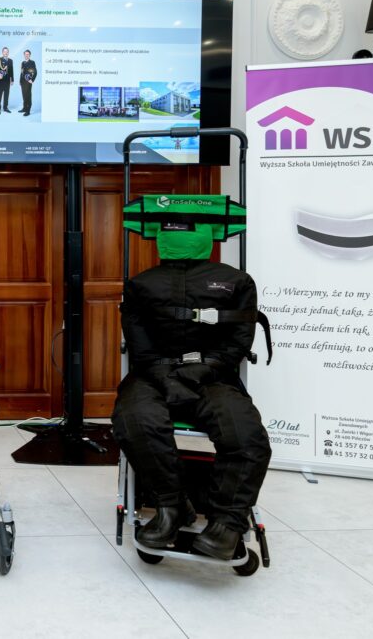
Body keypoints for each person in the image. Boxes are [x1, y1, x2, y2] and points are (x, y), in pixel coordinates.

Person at [111, 225, 272, 561]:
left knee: (246, 434)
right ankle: (171, 506)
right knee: (136, 420)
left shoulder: (238, 282)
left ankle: (227, 523)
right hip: (152, 375)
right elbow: (140, 348)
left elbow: (238, 342)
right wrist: (167, 378)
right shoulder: (140, 285)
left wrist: (197, 372)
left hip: (213, 376)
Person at [19, 49, 37, 116]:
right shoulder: (23, 63)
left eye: (28, 54)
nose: (26, 55)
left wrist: (32, 80)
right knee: (24, 95)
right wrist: (20, 81)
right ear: (24, 55)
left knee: (28, 96)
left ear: (30, 55)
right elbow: (21, 72)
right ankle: (24, 108)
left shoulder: (32, 62)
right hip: (23, 82)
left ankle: (28, 111)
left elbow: (35, 72)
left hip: (28, 81)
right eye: (25, 54)